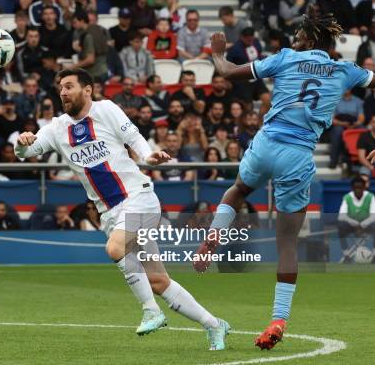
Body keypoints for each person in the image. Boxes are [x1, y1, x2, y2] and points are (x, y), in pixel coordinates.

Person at [197, 6, 375, 350]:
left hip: (267, 142)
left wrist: (218, 53)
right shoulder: (345, 70)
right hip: (297, 155)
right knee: (287, 243)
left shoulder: (285, 58)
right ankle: (278, 318)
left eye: (298, 35)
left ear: (308, 37)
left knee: (237, 191)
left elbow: (229, 72)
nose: (293, 39)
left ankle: (214, 236)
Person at [15, 68, 230, 349]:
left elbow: (133, 136)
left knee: (115, 249)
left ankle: (151, 311)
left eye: (69, 86)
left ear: (88, 89)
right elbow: (27, 153)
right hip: (109, 213)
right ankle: (215, 325)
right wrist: (22, 143)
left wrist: (147, 155)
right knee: (158, 281)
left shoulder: (105, 110)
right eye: (61, 88)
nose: (63, 92)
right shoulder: (57, 129)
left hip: (138, 197)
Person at [337, 176, 375, 263]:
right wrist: (355, 224)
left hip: (367, 225)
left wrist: (362, 225)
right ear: (352, 188)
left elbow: (374, 215)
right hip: (352, 226)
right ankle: (347, 255)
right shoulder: (347, 197)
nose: (358, 190)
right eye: (356, 188)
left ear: (364, 187)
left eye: (360, 187)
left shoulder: (371, 197)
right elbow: (341, 216)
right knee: (341, 225)